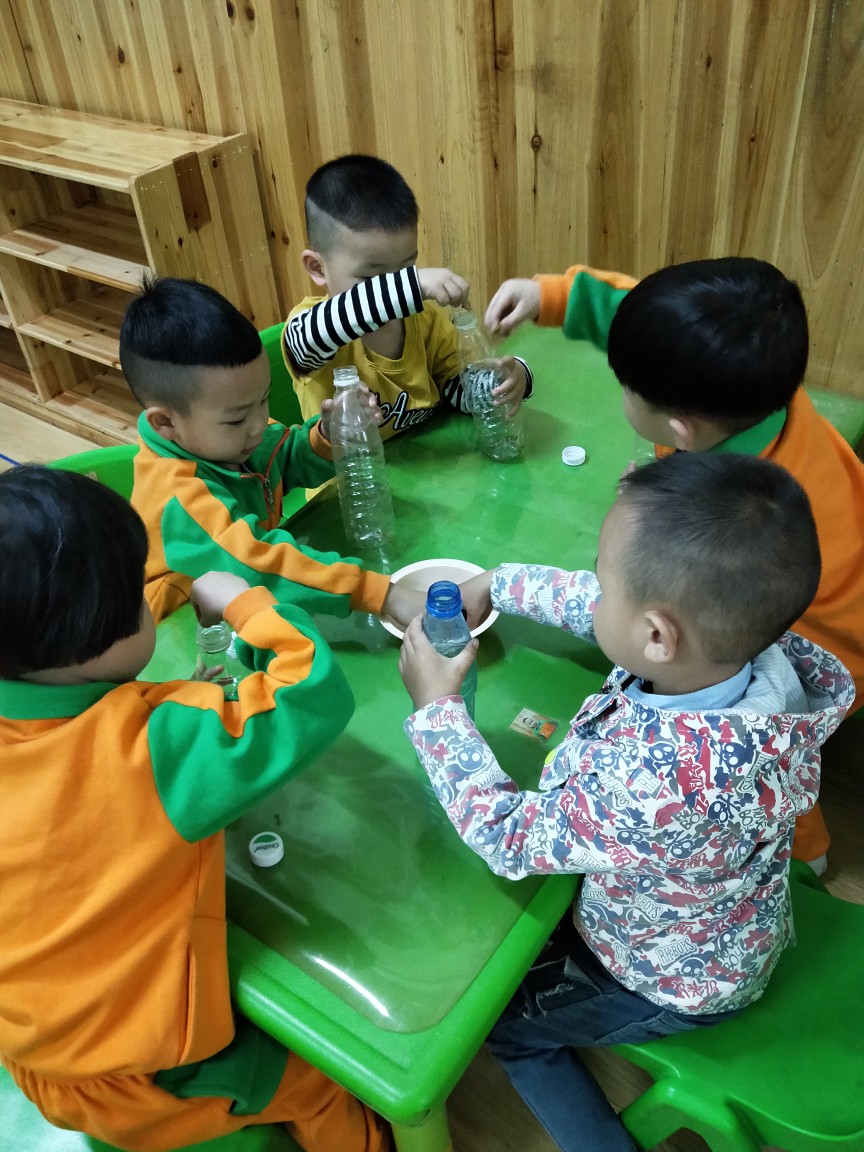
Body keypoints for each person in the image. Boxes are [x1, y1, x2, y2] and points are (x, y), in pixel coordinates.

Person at [398, 452, 854, 1152]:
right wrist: (499, 584)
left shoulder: (661, 783)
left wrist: (436, 709)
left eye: (604, 585)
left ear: (656, 636)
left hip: (667, 978)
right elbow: (617, 614)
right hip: (723, 920)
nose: (594, 596)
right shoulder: (741, 657)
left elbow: (509, 836)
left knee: (503, 1028)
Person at [0, 465, 389, 1152]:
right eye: (139, 600)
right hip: (135, 1071)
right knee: (323, 1083)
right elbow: (311, 691)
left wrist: (175, 694)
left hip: (32, 1037)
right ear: (101, 634)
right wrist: (246, 605)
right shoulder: (155, 747)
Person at [484, 256, 864, 869]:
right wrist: (552, 295)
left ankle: (806, 854)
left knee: (771, 745)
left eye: (626, 386)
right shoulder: (748, 386)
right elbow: (658, 321)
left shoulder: (739, 530)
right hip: (808, 579)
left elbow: (514, 838)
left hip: (829, 638)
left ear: (681, 431)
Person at [122, 275, 417, 628]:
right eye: (236, 418)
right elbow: (257, 563)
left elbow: (285, 457)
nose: (259, 424)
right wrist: (383, 594)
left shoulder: (227, 439)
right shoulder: (179, 499)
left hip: (242, 606)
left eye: (263, 400)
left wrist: (327, 437)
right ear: (165, 423)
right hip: (183, 634)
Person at [283, 154, 533, 438]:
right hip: (347, 466)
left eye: (406, 268)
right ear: (318, 268)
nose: (396, 287)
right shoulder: (310, 329)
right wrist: (409, 284)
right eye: (373, 277)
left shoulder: (425, 320)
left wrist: (508, 382)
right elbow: (313, 336)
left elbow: (458, 389)